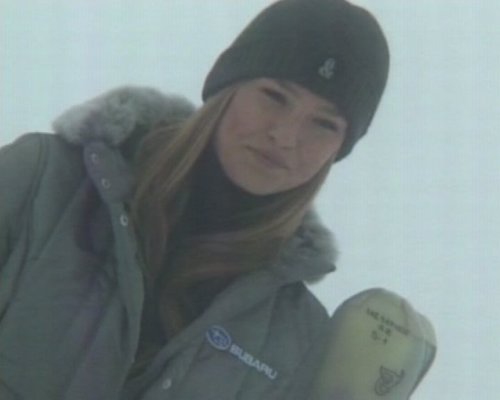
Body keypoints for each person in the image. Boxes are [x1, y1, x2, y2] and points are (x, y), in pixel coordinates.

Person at [0, 0, 400, 398]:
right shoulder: (40, 184)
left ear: (338, 149)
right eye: (274, 96)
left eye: (324, 123)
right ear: (228, 90)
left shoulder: (296, 341)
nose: (285, 136)